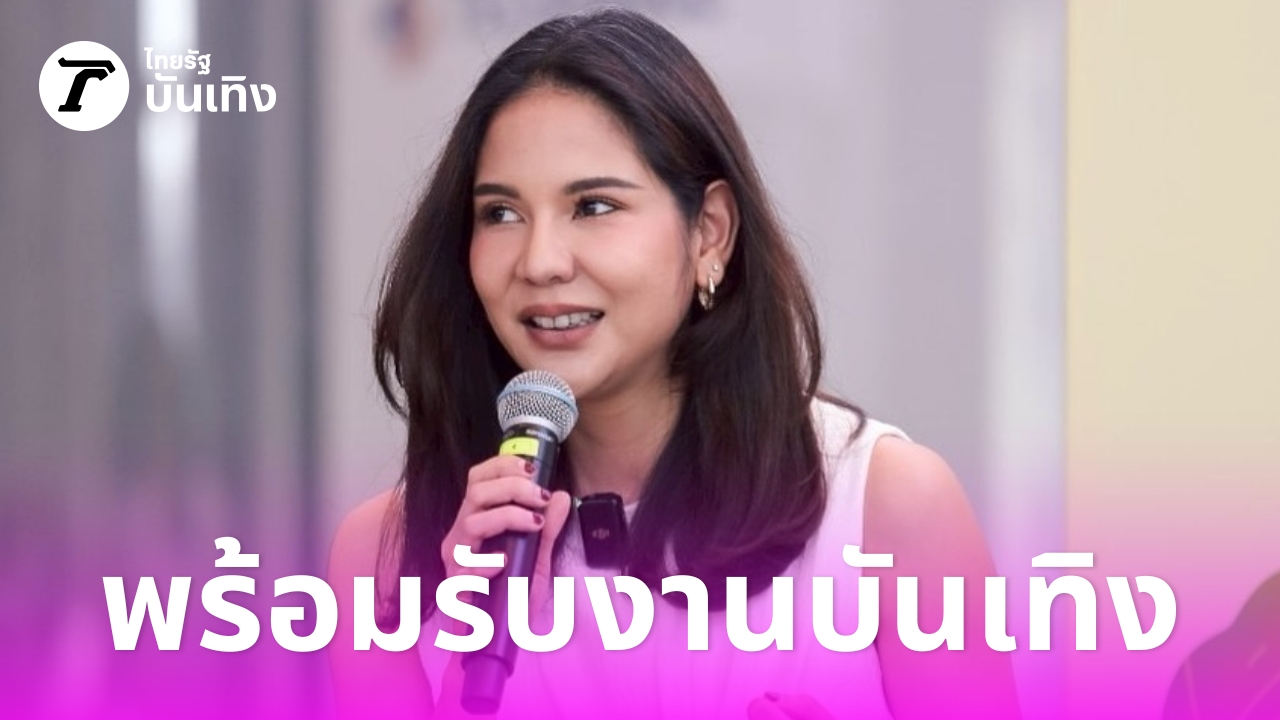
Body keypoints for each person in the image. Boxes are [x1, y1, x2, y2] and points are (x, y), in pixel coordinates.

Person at [328, 8, 1019, 719]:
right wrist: (468, 667)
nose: (539, 262)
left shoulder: (889, 508)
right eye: (501, 214)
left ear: (709, 233)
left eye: (593, 206)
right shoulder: (382, 559)